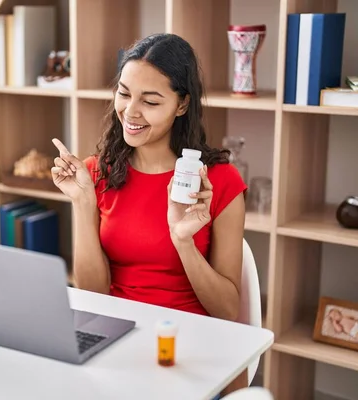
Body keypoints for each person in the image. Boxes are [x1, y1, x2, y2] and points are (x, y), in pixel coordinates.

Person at [51, 33, 248, 395]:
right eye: (124, 93)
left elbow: (227, 310)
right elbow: (93, 293)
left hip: (187, 348)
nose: (130, 111)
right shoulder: (97, 172)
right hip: (116, 343)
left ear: (182, 105)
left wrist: (183, 240)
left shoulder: (219, 180)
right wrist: (82, 203)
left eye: (151, 101)